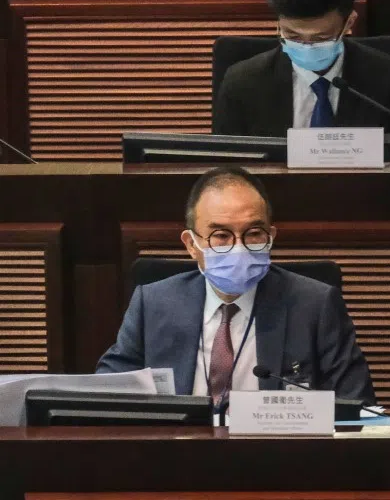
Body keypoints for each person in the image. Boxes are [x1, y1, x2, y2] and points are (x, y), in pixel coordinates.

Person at [97, 166, 375, 408]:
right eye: (221, 236)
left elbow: (356, 406)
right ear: (191, 245)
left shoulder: (315, 305)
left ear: (271, 237)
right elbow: (108, 394)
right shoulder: (154, 303)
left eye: (254, 233)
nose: (239, 248)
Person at [213, 0, 390, 137]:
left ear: (349, 23)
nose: (306, 46)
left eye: (321, 38)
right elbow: (228, 170)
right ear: (278, 23)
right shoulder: (243, 83)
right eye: (292, 35)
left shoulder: (387, 79)